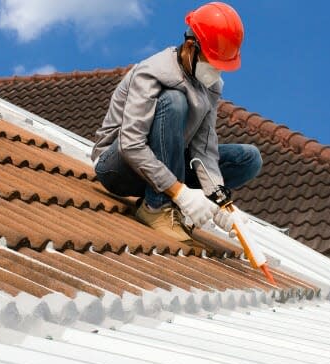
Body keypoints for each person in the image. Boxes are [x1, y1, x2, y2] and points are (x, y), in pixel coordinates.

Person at [92, 2, 262, 243]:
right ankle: (156, 207)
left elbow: (203, 149)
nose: (215, 72)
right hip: (118, 166)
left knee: (248, 159)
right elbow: (130, 144)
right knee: (174, 101)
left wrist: (221, 201)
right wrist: (180, 193)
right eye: (212, 62)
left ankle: (171, 196)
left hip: (166, 163)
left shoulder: (211, 85)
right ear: (191, 47)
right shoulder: (152, 72)